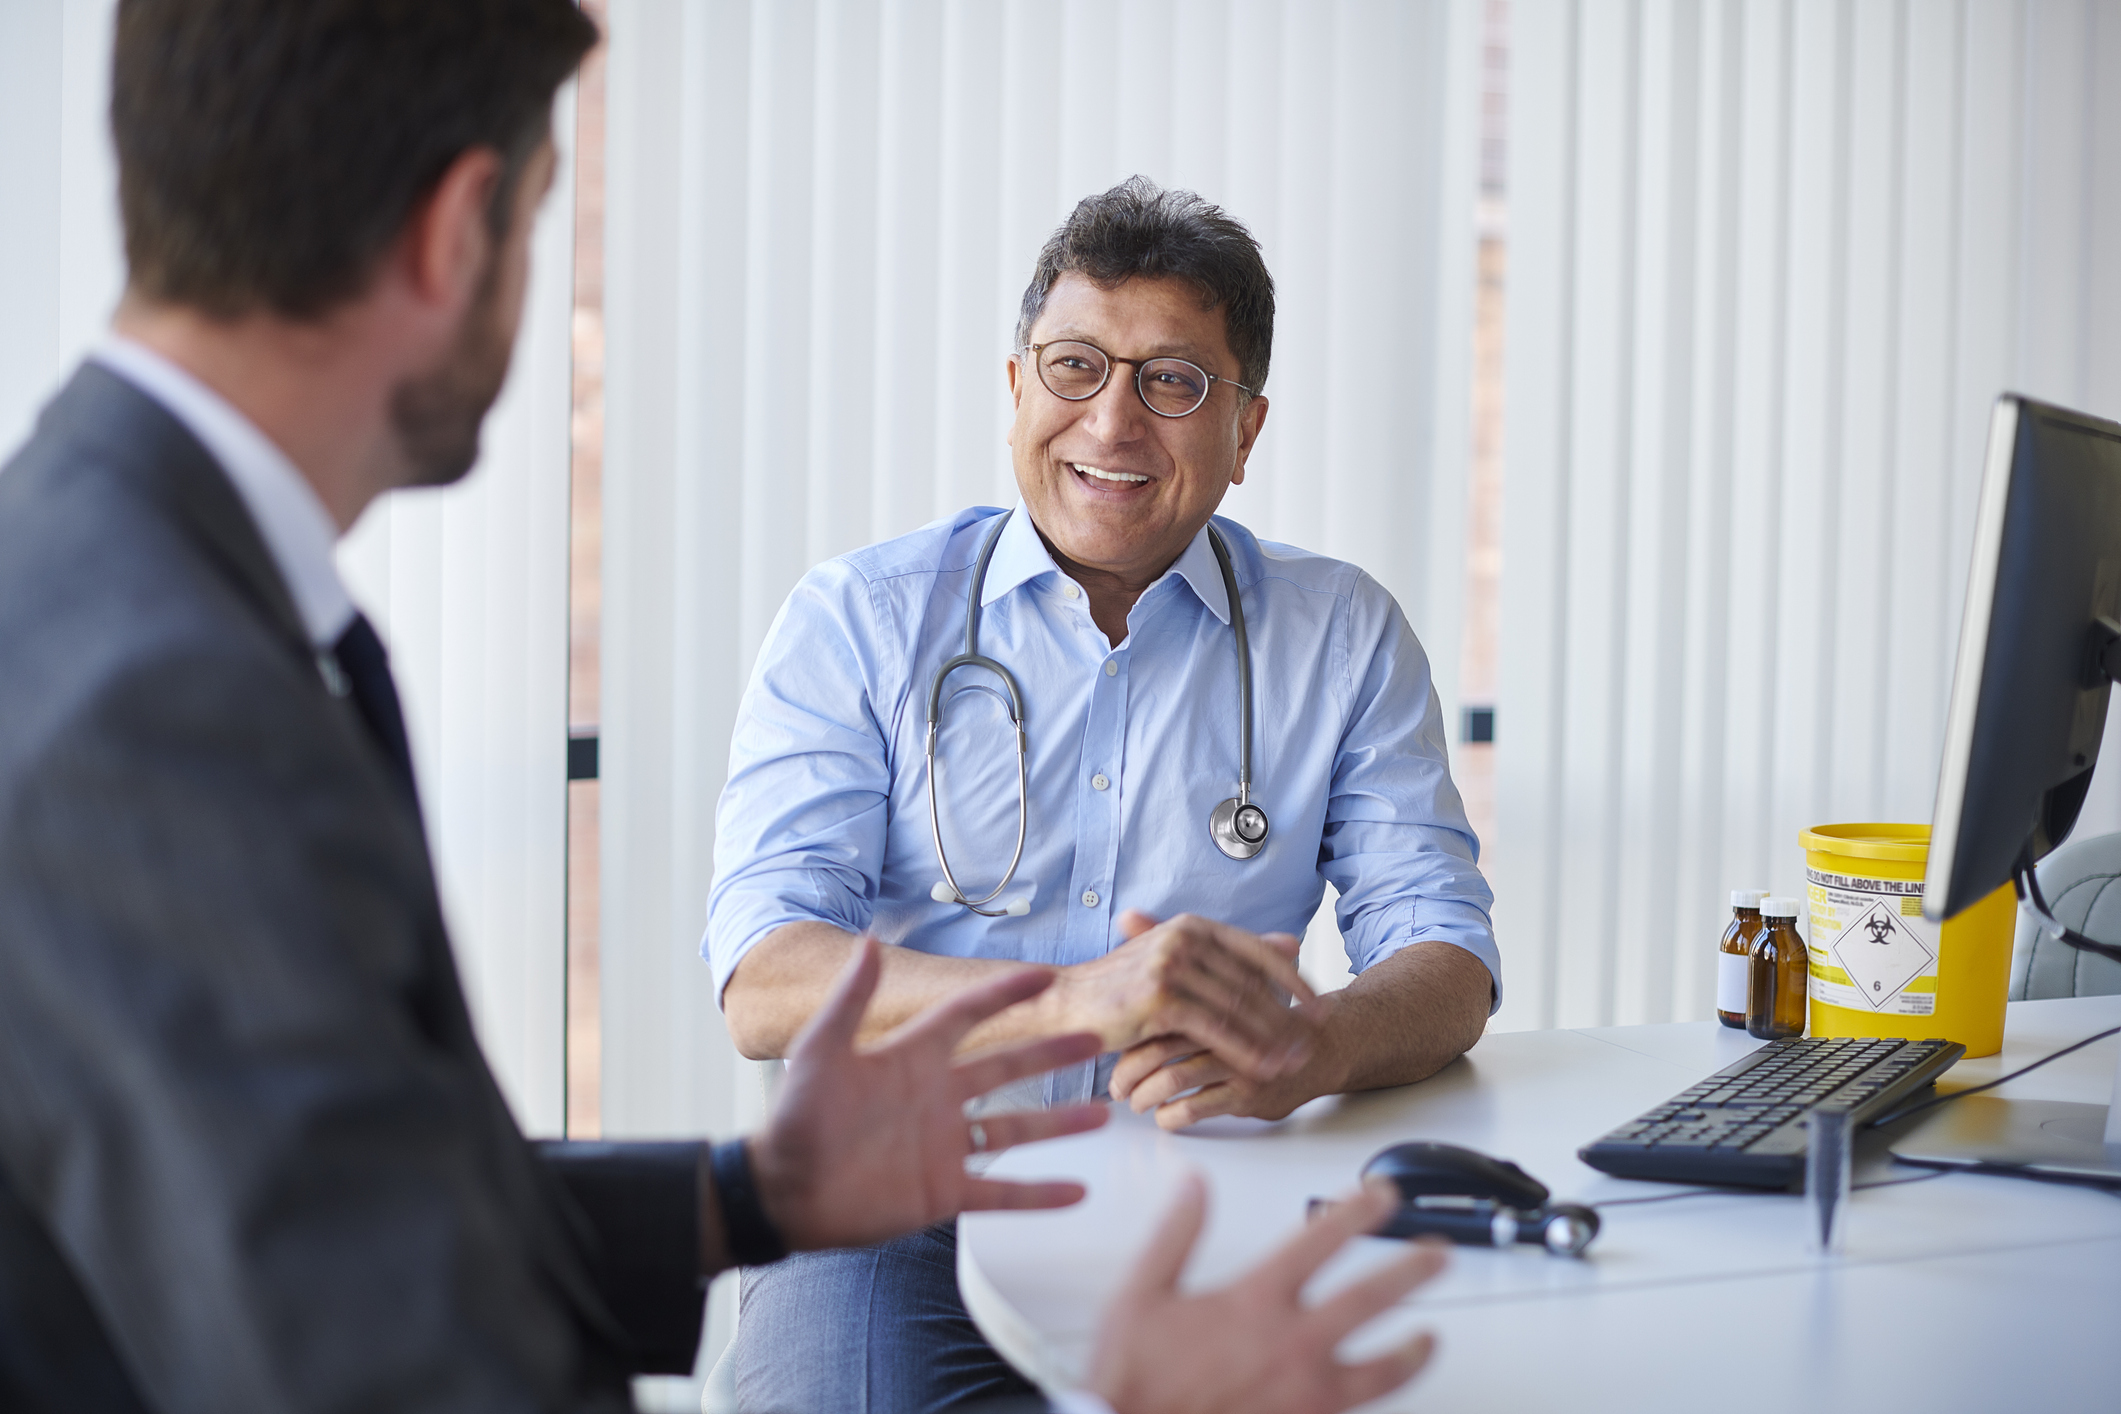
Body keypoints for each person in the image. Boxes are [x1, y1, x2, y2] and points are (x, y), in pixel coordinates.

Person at [0, 6, 1451, 1413]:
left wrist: (743, 1196)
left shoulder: (106, 588)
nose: (1115, 418)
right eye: (545, 215)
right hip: (918, 1239)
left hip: (1164, 1187)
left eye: (1172, 382)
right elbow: (374, 1346)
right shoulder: (163, 693)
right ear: (460, 231)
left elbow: (324, 1202)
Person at [709, 177, 1500, 1412]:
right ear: (1016, 388)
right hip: (900, 1209)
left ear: (1246, 431)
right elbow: (766, 980)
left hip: (1210, 1198)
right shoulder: (860, 619)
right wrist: (1078, 1000)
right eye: (1075, 366)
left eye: (1173, 381)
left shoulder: (1342, 633)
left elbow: (1447, 953)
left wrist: (1319, 1045)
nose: (1113, 422)